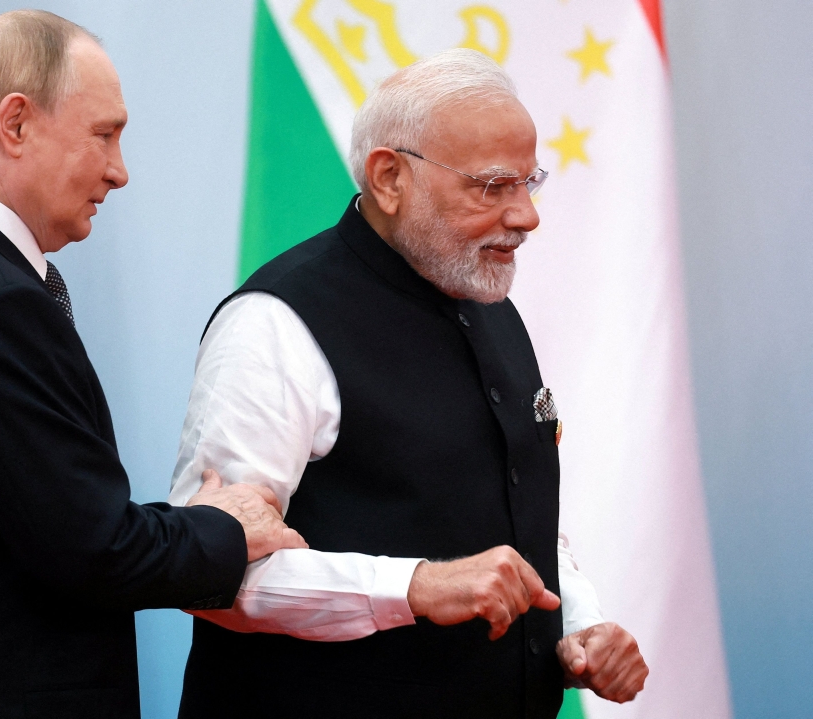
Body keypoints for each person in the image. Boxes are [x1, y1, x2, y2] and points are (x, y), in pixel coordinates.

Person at [0, 11, 304, 719]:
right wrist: (227, 525)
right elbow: (96, 548)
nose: (120, 169)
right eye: (104, 133)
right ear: (15, 124)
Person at [169, 49, 649, 718]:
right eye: (492, 186)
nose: (527, 215)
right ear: (389, 178)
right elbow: (210, 572)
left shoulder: (491, 306)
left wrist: (579, 626)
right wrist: (415, 586)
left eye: (529, 182)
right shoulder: (275, 324)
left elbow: (517, 528)